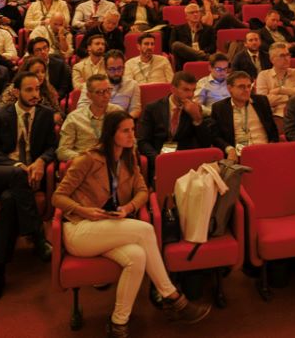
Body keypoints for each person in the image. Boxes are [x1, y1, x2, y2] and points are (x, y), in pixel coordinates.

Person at [53, 110, 210, 336]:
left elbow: (143, 192)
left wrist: (128, 208)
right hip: (80, 229)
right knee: (145, 230)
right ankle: (173, 297)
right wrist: (83, 210)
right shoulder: (87, 159)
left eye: (132, 130)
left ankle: (118, 323)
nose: (131, 136)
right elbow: (57, 197)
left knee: (137, 257)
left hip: (110, 228)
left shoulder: (129, 158)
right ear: (111, 133)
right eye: (125, 131)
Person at [0, 72, 58, 307]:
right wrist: (19, 166)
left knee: (9, 200)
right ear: (16, 92)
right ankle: (36, 234)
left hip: (25, 180)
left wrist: (42, 161)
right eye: (29, 90)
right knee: (16, 176)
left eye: (37, 89)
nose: (35, 95)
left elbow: (53, 147)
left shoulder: (45, 115)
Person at [136, 71, 213, 181]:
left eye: (193, 90)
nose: (190, 95)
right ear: (172, 89)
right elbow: (143, 141)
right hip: (158, 158)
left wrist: (197, 118)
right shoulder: (152, 108)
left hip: (185, 162)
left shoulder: (195, 109)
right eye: (186, 90)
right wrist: (159, 160)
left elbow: (206, 143)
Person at [210, 71, 279, 158]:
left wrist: (272, 146)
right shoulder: (220, 108)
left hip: (265, 151)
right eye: (241, 87)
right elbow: (215, 137)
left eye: (249, 86)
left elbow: (273, 131)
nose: (247, 90)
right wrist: (229, 149)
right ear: (229, 88)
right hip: (238, 155)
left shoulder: (261, 102)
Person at [58, 75, 118, 161]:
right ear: (89, 95)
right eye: (100, 92)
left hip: (112, 161)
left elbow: (131, 143)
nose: (106, 95)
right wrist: (85, 158)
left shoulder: (117, 113)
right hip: (85, 165)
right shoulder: (74, 118)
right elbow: (62, 151)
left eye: (108, 90)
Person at [255, 42, 295, 118]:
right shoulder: (263, 75)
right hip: (274, 116)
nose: (287, 59)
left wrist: (280, 90)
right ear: (272, 59)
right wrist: (289, 97)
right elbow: (264, 101)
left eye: (288, 55)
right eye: (282, 56)